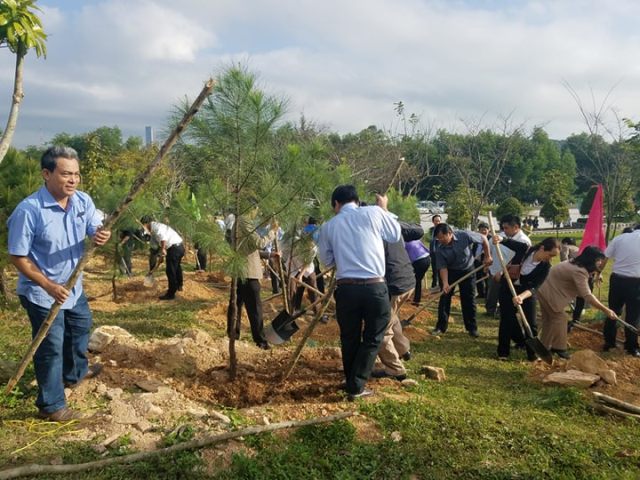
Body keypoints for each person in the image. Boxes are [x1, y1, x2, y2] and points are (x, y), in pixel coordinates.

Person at [7, 146, 110, 421]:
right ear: (46, 174)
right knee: (50, 345)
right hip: (41, 292)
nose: (73, 180)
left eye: (76, 174)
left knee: (80, 327)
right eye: (66, 174)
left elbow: (94, 228)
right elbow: (18, 256)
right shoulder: (29, 211)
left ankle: (74, 372)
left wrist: (100, 235)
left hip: (73, 287)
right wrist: (48, 285)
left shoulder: (82, 201)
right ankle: (51, 405)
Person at [318, 185, 401, 400]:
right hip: (375, 287)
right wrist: (384, 208)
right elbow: (394, 235)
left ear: (336, 204)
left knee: (349, 337)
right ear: (356, 200)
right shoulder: (373, 212)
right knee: (373, 337)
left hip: (346, 289)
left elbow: (326, 260)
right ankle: (355, 385)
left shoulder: (329, 226)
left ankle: (352, 380)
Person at [536, 247, 617, 359]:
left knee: (550, 320)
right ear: (590, 259)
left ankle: (544, 348)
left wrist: (595, 274)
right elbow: (587, 295)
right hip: (550, 293)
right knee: (560, 318)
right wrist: (606, 310)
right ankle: (559, 348)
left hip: (544, 289)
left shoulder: (574, 263)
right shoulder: (579, 271)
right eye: (598, 260)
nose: (600, 262)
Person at [493, 236, 559, 361]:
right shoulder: (524, 249)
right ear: (542, 248)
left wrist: (521, 297)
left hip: (526, 293)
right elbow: (509, 242)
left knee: (531, 323)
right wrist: (500, 239)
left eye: (553, 257)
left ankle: (532, 355)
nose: (550, 259)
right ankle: (503, 352)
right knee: (507, 320)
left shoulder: (546, 267)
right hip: (508, 288)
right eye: (550, 255)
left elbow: (535, 286)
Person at [373, 221, 423, 381]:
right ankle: (403, 350)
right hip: (408, 281)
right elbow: (418, 230)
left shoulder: (370, 234)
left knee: (379, 329)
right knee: (392, 318)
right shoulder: (390, 228)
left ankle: (395, 369)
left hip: (394, 284)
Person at [227, 208, 279, 349]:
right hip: (248, 273)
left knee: (236, 304)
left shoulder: (240, 222)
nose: (257, 211)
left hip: (240, 270)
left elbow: (248, 248)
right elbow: (259, 243)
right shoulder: (244, 221)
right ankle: (260, 341)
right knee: (255, 308)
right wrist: (273, 232)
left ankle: (233, 335)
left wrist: (269, 255)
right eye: (257, 207)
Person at [432, 223, 492, 337]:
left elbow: (483, 238)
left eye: (441, 237)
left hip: (468, 270)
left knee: (469, 299)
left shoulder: (464, 235)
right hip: (450, 272)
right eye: (438, 238)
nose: (440, 240)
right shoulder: (439, 248)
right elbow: (442, 267)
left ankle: (472, 328)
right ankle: (441, 327)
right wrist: (445, 283)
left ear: (449, 233)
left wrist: (488, 256)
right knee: (444, 298)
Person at [602, 225, 640, 356]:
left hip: (617, 280)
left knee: (613, 312)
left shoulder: (619, 238)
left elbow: (605, 258)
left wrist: (598, 272)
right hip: (636, 282)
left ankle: (609, 343)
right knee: (633, 316)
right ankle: (631, 348)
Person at [140, 216, 184, 300]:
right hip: (179, 246)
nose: (143, 228)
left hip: (174, 248)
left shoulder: (156, 227)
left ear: (146, 224)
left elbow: (163, 239)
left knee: (170, 271)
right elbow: (159, 244)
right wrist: (161, 255)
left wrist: (163, 250)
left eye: (142, 225)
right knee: (177, 267)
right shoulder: (154, 228)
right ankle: (179, 285)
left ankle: (171, 294)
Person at [404, 237, 430, 305]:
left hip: (419, 261)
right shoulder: (415, 239)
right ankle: (415, 299)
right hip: (427, 259)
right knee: (417, 280)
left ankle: (414, 299)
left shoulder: (404, 243)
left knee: (413, 279)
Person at [429, 214, 442, 288]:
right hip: (433, 254)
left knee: (441, 270)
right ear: (433, 222)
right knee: (434, 271)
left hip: (440, 254)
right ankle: (434, 286)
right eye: (436, 221)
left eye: (439, 221)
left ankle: (441, 286)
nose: (437, 222)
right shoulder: (431, 230)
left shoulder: (443, 230)